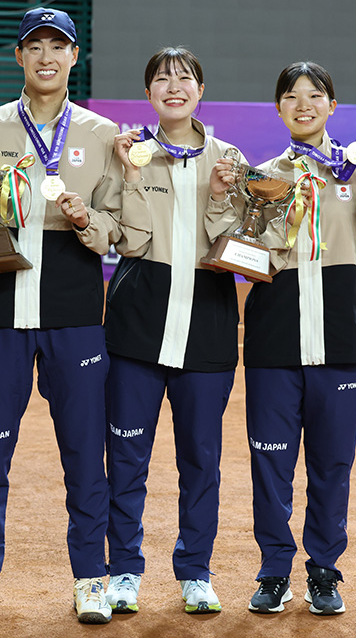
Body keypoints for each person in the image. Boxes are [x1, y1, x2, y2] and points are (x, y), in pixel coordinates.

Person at [0, 7, 123, 625]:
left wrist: (89, 222)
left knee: (85, 457)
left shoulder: (101, 133)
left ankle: (91, 578)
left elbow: (119, 224)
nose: (46, 57)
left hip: (75, 317)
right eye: (34, 46)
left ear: (74, 56)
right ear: (19, 56)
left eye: (57, 46)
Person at [232, 61, 356, 616]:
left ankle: (325, 570)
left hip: (339, 343)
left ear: (333, 106)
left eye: (314, 95)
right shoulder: (262, 176)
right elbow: (244, 260)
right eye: (291, 95)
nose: (303, 104)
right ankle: (273, 571)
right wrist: (266, 223)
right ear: (278, 108)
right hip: (274, 343)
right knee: (271, 465)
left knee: (332, 464)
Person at [104, 47, 245, 615]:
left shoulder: (229, 158)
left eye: (184, 78)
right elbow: (130, 241)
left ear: (200, 91)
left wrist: (220, 197)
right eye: (161, 80)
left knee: (201, 462)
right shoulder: (130, 151)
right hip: (137, 327)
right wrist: (132, 175)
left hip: (207, 325)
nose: (173, 87)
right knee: (126, 459)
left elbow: (234, 244)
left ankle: (195, 572)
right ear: (148, 94)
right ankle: (123, 571)